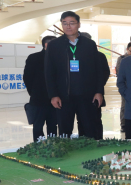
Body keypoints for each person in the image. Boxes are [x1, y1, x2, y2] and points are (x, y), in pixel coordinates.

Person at [45, 11, 107, 139]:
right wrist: (53, 95)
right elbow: (49, 72)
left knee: (89, 130)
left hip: (87, 96)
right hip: (64, 97)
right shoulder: (54, 45)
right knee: (64, 132)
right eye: (65, 23)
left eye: (72, 23)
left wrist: (99, 91)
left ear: (79, 24)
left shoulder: (89, 44)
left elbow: (98, 70)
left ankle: (89, 151)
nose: (68, 26)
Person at [23, 35, 58, 141]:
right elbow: (27, 78)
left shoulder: (59, 58)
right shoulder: (34, 58)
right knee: (38, 125)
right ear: (46, 45)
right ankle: (40, 146)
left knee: (53, 125)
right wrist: (34, 93)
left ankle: (51, 145)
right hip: (39, 99)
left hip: (55, 99)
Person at [116, 43, 131, 133]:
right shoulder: (122, 59)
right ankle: (123, 124)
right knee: (124, 105)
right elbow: (119, 72)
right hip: (126, 86)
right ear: (127, 49)